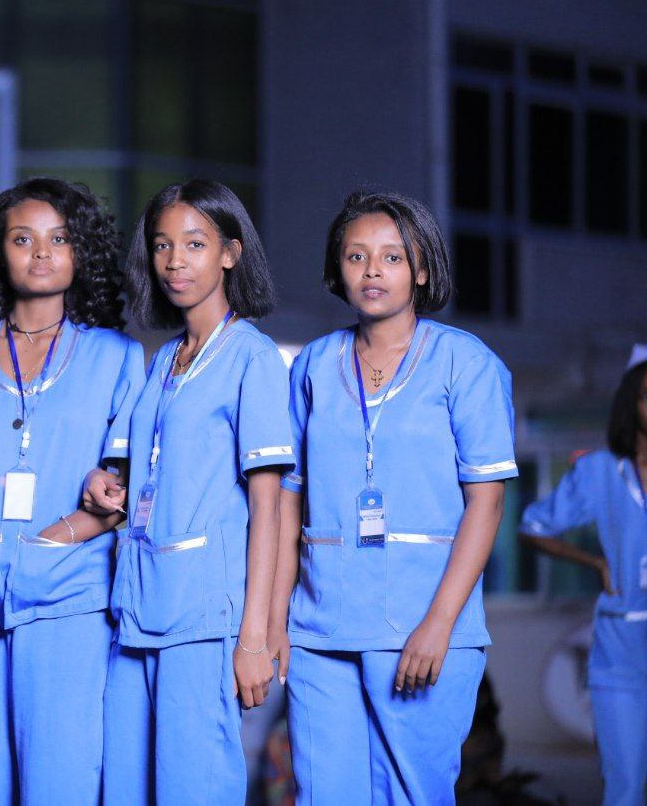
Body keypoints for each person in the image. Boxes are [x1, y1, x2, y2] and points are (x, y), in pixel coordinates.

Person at [269, 190, 517, 805]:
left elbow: (486, 504)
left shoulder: (468, 364)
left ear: (423, 269)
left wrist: (438, 625)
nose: (372, 270)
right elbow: (288, 503)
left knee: (412, 795)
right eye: (356, 256)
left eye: (392, 257)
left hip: (422, 626)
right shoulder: (313, 366)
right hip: (320, 628)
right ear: (338, 269)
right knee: (325, 794)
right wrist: (275, 622)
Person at [0, 178, 144, 804]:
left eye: (59, 239)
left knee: (61, 787)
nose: (41, 253)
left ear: (82, 255)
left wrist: (52, 540)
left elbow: (124, 485)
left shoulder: (118, 358)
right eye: (23, 239)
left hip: (73, 601)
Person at [85, 178, 291, 804]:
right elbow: (146, 469)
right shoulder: (164, 360)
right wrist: (105, 484)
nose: (176, 261)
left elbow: (270, 508)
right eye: (162, 245)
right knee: (124, 787)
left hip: (204, 614)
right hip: (139, 605)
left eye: (195, 244)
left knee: (191, 787)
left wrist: (254, 635)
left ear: (230, 252)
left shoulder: (251, 357)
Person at [519, 346, 647, 806]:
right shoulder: (598, 472)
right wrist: (594, 563)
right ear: (630, 405)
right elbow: (531, 528)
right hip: (621, 657)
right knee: (626, 789)